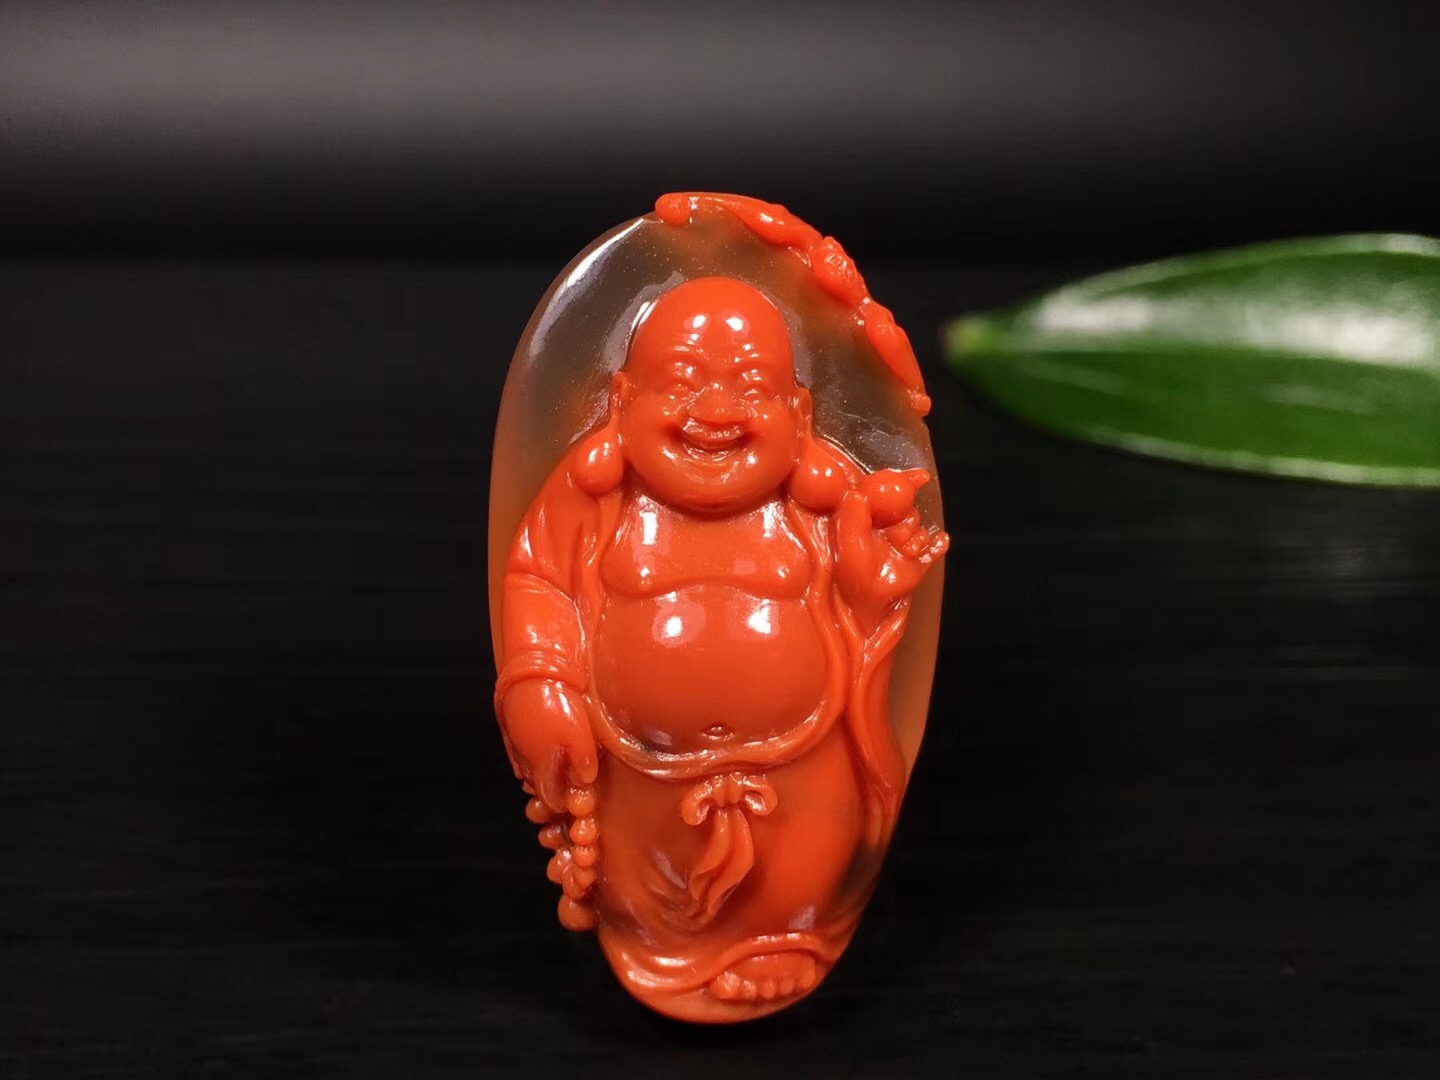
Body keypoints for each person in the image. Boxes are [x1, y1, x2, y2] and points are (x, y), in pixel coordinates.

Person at [495, 275, 947, 1021]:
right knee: (640, 867)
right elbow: (537, 583)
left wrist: (876, 590)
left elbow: (863, 605)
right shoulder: (589, 500)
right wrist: (542, 682)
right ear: (620, 401)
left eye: (752, 389)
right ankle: (659, 940)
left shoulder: (825, 505)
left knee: (806, 849)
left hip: (799, 761)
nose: (714, 412)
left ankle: (777, 935)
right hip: (638, 768)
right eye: (680, 384)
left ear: (800, 414)